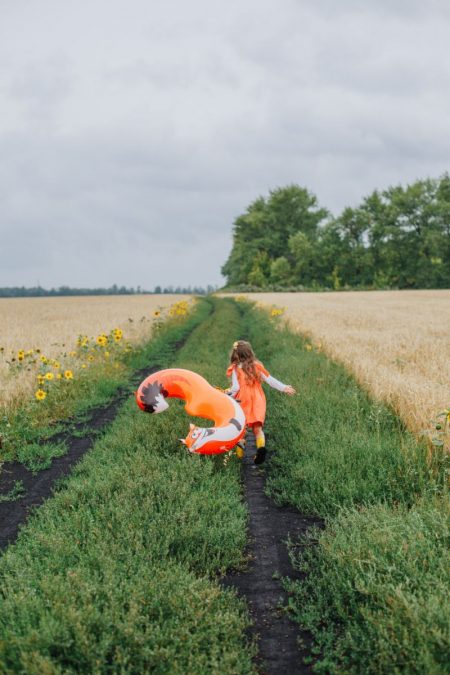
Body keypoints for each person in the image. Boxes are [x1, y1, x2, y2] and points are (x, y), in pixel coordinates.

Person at [226, 340, 296, 464]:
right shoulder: (257, 366)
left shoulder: (236, 369)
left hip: (243, 399)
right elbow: (270, 380)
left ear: (236, 355)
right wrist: (284, 388)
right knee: (257, 428)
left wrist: (227, 394)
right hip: (258, 399)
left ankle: (239, 457)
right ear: (249, 353)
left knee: (242, 429)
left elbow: (236, 388)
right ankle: (261, 448)